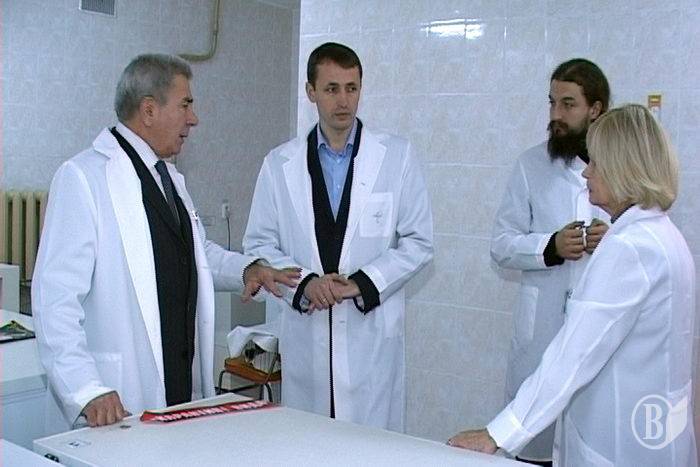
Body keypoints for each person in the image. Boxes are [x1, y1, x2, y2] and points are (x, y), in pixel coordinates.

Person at [32, 53, 299, 432]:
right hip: (113, 394)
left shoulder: (167, 177)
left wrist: (247, 269)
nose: (194, 118)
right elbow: (54, 298)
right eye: (185, 104)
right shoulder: (83, 177)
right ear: (149, 110)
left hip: (177, 384)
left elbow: (194, 253)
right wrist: (86, 389)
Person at [449, 104, 697, 466]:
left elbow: (574, 354)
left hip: (617, 447)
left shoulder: (628, 247)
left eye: (595, 162)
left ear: (621, 168)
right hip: (653, 438)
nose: (586, 173)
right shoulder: (664, 236)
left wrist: (498, 434)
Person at [242, 42, 433, 431]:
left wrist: (362, 282)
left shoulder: (396, 156)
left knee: (370, 449)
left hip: (370, 343)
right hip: (307, 338)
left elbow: (419, 242)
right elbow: (258, 245)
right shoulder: (279, 164)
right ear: (311, 91)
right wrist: (305, 284)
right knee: (310, 445)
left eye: (352, 88)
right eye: (331, 89)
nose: (344, 101)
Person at [489, 58, 611, 465]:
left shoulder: (620, 170)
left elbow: (642, 238)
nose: (556, 115)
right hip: (540, 333)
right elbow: (501, 245)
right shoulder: (530, 165)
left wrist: (612, 240)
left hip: (597, 333)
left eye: (568, 104)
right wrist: (549, 247)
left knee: (587, 446)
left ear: (595, 109)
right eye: (552, 103)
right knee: (533, 447)